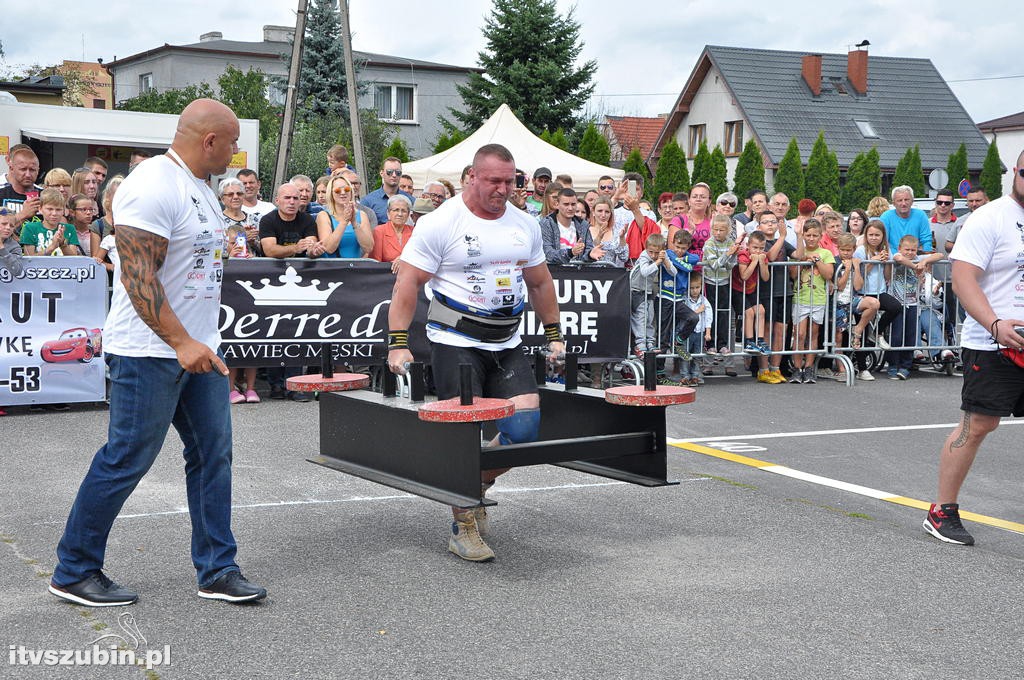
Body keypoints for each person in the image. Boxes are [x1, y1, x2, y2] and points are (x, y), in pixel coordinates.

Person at [50, 99, 266, 606]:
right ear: (209, 140)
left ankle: (217, 569)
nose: (236, 154)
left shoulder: (201, 190)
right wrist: (182, 342)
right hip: (148, 351)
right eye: (232, 142)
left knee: (214, 456)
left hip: (197, 352)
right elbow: (138, 277)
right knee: (127, 457)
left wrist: (204, 342)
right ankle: (73, 569)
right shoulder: (152, 185)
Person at [385, 143, 564, 562]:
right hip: (455, 342)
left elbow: (539, 283)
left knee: (524, 431)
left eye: (510, 181)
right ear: (472, 177)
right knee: (466, 436)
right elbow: (407, 284)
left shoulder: (525, 224)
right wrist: (397, 345)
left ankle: (475, 488)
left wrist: (554, 333)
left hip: (507, 341)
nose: (503, 189)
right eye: (494, 181)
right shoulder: (442, 222)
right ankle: (462, 522)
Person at [922, 151, 1024, 547]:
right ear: (1015, 173)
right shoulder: (989, 218)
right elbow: (964, 279)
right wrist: (994, 324)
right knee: (979, 424)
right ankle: (942, 510)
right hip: (991, 341)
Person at [885, 235, 943, 380]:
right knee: (896, 336)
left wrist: (924, 260)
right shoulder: (898, 256)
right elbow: (899, 258)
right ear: (900, 248)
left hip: (913, 304)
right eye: (907, 249)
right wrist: (915, 266)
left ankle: (906, 366)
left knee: (910, 336)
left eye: (913, 250)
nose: (910, 253)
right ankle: (893, 364)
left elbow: (940, 254)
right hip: (897, 304)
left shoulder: (918, 258)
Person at [788, 219, 834, 384]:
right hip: (800, 298)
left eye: (815, 235)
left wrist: (817, 261)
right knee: (799, 334)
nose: (812, 238)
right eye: (808, 235)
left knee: (813, 334)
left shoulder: (826, 253)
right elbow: (793, 274)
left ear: (820, 236)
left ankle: (809, 368)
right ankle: (797, 367)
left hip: (818, 298)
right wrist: (803, 259)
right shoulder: (799, 252)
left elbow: (828, 274)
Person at [832, 232, 879, 381]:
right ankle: (841, 369)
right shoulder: (835, 262)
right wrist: (846, 270)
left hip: (852, 299)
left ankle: (857, 329)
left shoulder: (856, 261)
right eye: (843, 250)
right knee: (838, 335)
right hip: (838, 302)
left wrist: (856, 268)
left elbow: (858, 286)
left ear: (853, 249)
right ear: (838, 248)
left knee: (874, 303)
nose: (846, 253)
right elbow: (839, 286)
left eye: (849, 250)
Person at [757, 211, 796, 383]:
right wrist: (783, 236)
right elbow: (770, 257)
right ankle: (763, 369)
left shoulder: (784, 241)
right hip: (767, 292)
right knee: (767, 330)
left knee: (781, 331)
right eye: (766, 222)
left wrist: (800, 235)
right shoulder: (760, 243)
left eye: (773, 221)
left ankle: (775, 368)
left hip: (785, 291)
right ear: (759, 226)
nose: (771, 225)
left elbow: (799, 255)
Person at [854, 220, 901, 352]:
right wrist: (873, 261)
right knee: (862, 329)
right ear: (866, 235)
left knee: (895, 307)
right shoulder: (860, 250)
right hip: (863, 292)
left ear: (882, 236)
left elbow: (887, 276)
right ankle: (862, 367)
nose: (874, 238)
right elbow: (860, 275)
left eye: (877, 235)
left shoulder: (886, 250)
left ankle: (877, 332)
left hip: (880, 291)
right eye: (871, 235)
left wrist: (886, 263)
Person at [701, 214, 739, 377]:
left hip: (724, 283)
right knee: (711, 317)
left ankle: (723, 346)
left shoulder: (730, 243)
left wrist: (731, 255)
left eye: (721, 230)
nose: (718, 233)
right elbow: (715, 264)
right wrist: (727, 255)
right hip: (710, 282)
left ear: (728, 231)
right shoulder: (709, 244)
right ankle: (710, 350)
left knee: (724, 316)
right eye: (715, 229)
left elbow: (731, 264)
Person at [732, 230, 771, 379]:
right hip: (738, 289)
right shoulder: (743, 255)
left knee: (761, 311)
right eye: (755, 248)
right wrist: (754, 261)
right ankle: (749, 341)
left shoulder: (763, 257)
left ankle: (760, 340)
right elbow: (744, 276)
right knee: (749, 313)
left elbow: (765, 277)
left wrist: (762, 262)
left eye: (761, 248)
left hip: (752, 289)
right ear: (748, 246)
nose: (758, 251)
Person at [659, 230, 701, 360]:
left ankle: (678, 342)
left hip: (678, 299)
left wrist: (683, 259)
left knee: (693, 318)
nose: (679, 250)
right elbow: (688, 268)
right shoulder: (668, 253)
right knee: (663, 335)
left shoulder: (685, 256)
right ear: (672, 243)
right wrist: (683, 262)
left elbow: (697, 258)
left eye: (683, 248)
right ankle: (659, 372)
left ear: (688, 247)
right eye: (677, 247)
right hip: (665, 298)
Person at [318, 174, 373, 259]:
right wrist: (344, 221)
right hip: (332, 268)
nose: (343, 193)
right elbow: (328, 248)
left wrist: (354, 222)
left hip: (354, 268)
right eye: (337, 191)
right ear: (331, 193)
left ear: (351, 192)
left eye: (347, 189)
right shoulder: (324, 216)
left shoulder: (362, 215)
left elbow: (368, 248)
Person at [630, 233, 665, 355]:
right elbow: (644, 272)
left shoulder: (660, 257)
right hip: (637, 290)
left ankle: (650, 342)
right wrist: (658, 262)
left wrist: (666, 260)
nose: (653, 255)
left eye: (657, 253)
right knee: (640, 317)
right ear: (646, 249)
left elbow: (674, 272)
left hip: (648, 290)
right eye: (651, 252)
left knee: (650, 317)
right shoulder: (644, 256)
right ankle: (640, 344)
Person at [540, 188, 594, 264]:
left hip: (578, 273)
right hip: (555, 272)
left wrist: (590, 255)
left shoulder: (583, 224)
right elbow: (548, 253)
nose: (570, 208)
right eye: (566, 204)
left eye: (573, 204)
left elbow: (587, 252)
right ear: (557, 204)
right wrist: (570, 253)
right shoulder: (547, 223)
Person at [19, 189, 80, 256]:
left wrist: (63, 244)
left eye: (58, 210)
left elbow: (74, 260)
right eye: (50, 209)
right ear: (40, 209)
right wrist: (51, 247)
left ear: (63, 211)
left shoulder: (69, 229)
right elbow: (29, 259)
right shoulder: (30, 228)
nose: (54, 213)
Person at [1, 144, 43, 231]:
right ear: (12, 168)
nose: (28, 174)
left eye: (32, 170)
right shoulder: (2, 194)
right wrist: (23, 214)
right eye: (23, 169)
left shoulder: (46, 196)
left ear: (38, 170)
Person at [681, 273, 713, 386]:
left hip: (699, 332)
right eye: (691, 288)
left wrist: (708, 332)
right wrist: (698, 311)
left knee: (697, 355)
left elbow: (709, 316)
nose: (694, 291)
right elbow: (686, 316)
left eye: (697, 287)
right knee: (685, 355)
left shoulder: (704, 301)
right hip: (686, 333)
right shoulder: (685, 300)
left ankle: (695, 375)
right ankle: (685, 376)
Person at [881, 185, 933, 253]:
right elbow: (883, 241)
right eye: (899, 200)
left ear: (912, 201)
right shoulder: (886, 217)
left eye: (906, 200)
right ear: (893, 203)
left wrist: (926, 256)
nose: (903, 203)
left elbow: (926, 240)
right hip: (893, 260)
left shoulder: (921, 215)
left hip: (915, 259)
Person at [364, 157, 414, 224]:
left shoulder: (410, 200)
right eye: (389, 172)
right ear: (382, 173)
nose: (394, 175)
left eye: (398, 172)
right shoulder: (368, 201)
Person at [219, 177, 261, 257]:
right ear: (222, 199)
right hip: (229, 267)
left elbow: (266, 251)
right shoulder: (218, 221)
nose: (235, 197)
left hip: (254, 266)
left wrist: (253, 242)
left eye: (239, 193)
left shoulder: (256, 219)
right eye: (230, 194)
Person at [369, 194, 415, 266]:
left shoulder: (414, 232)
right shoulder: (379, 231)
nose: (400, 214)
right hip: (386, 274)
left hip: (410, 274)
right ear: (388, 213)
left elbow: (420, 256)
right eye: (396, 210)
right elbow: (376, 262)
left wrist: (403, 259)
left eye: (404, 211)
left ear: (408, 214)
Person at [587, 196, 628, 268]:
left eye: (607, 212)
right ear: (593, 212)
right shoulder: (586, 230)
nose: (603, 215)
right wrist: (599, 237)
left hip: (611, 275)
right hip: (590, 274)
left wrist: (622, 238)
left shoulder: (616, 231)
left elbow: (624, 257)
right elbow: (584, 254)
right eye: (600, 211)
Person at [67, 193, 100, 258]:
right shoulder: (68, 232)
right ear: (72, 212)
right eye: (83, 209)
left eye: (91, 209)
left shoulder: (96, 231)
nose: (88, 213)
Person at [0, 208, 24, 277]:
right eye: (4, 224)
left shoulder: (14, 246)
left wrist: (2, 248)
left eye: (11, 226)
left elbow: (17, 271)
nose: (8, 228)